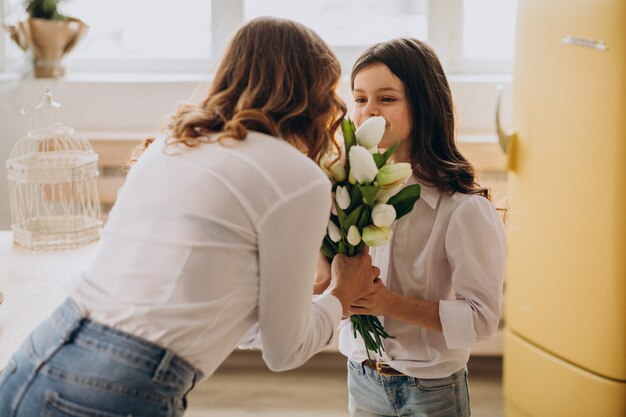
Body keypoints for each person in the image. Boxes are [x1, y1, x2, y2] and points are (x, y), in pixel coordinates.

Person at [0, 17, 378, 417]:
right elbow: (285, 352)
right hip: (117, 385)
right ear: (313, 94)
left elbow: (216, 307)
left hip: (38, 351)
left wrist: (312, 305)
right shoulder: (297, 178)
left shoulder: (171, 143)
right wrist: (340, 294)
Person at [324, 38, 506, 417]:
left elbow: (482, 320)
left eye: (386, 98)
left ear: (423, 106)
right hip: (361, 373)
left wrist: (389, 304)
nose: (369, 110)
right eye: (359, 99)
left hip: (431, 389)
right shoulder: (347, 192)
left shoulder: (462, 208)